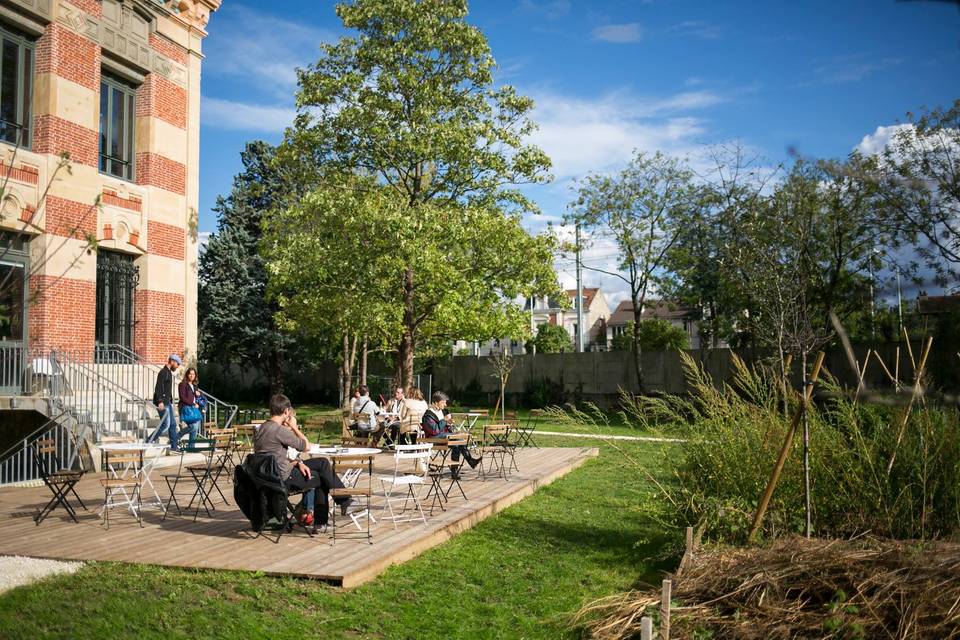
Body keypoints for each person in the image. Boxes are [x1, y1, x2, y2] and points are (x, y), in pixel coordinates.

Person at [253, 393, 349, 532]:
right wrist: (294, 427)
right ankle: (325, 519)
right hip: (284, 479)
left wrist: (298, 463)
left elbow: (274, 458)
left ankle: (345, 501)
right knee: (321, 477)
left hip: (267, 477)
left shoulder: (260, 429)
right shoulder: (279, 431)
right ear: (286, 411)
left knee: (322, 463)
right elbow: (307, 446)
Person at [420, 391, 481, 473]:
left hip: (444, 436)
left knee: (457, 442)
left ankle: (455, 471)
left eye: (445, 402)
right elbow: (434, 431)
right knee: (457, 439)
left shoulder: (443, 411)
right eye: (443, 403)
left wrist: (448, 423)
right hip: (433, 439)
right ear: (435, 403)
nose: (445, 405)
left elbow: (442, 426)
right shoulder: (428, 415)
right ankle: (468, 463)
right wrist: (444, 420)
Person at [149, 354, 181, 449]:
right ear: (172, 361)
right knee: (165, 424)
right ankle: (149, 441)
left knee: (173, 425)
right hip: (163, 403)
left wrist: (170, 401)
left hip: (167, 403)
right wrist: (159, 401)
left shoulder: (169, 372)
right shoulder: (163, 372)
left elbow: (166, 389)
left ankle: (174, 447)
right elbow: (158, 387)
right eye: (177, 364)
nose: (178, 366)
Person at [177, 367, 203, 448]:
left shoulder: (194, 386)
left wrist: (198, 395)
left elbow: (195, 397)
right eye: (190, 374)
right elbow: (182, 397)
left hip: (194, 408)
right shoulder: (182, 384)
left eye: (193, 374)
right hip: (185, 408)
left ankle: (191, 447)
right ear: (187, 375)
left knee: (196, 426)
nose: (192, 375)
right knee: (193, 426)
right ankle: (176, 437)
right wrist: (192, 403)